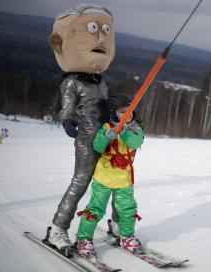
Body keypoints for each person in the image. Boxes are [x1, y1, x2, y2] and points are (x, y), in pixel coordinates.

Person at [46, 4, 119, 250]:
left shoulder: (101, 81)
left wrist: (118, 114)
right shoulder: (71, 81)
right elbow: (66, 106)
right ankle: (58, 228)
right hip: (87, 139)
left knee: (118, 180)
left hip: (108, 137)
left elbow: (106, 106)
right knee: (81, 181)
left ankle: (119, 226)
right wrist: (67, 120)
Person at [75, 94, 144, 257]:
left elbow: (136, 143)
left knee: (127, 209)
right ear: (113, 113)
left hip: (124, 179)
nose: (128, 114)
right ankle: (83, 239)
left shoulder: (136, 129)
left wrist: (125, 132)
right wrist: (107, 137)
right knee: (96, 208)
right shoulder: (106, 127)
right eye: (123, 111)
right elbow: (97, 147)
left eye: (130, 110)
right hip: (104, 177)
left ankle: (126, 236)